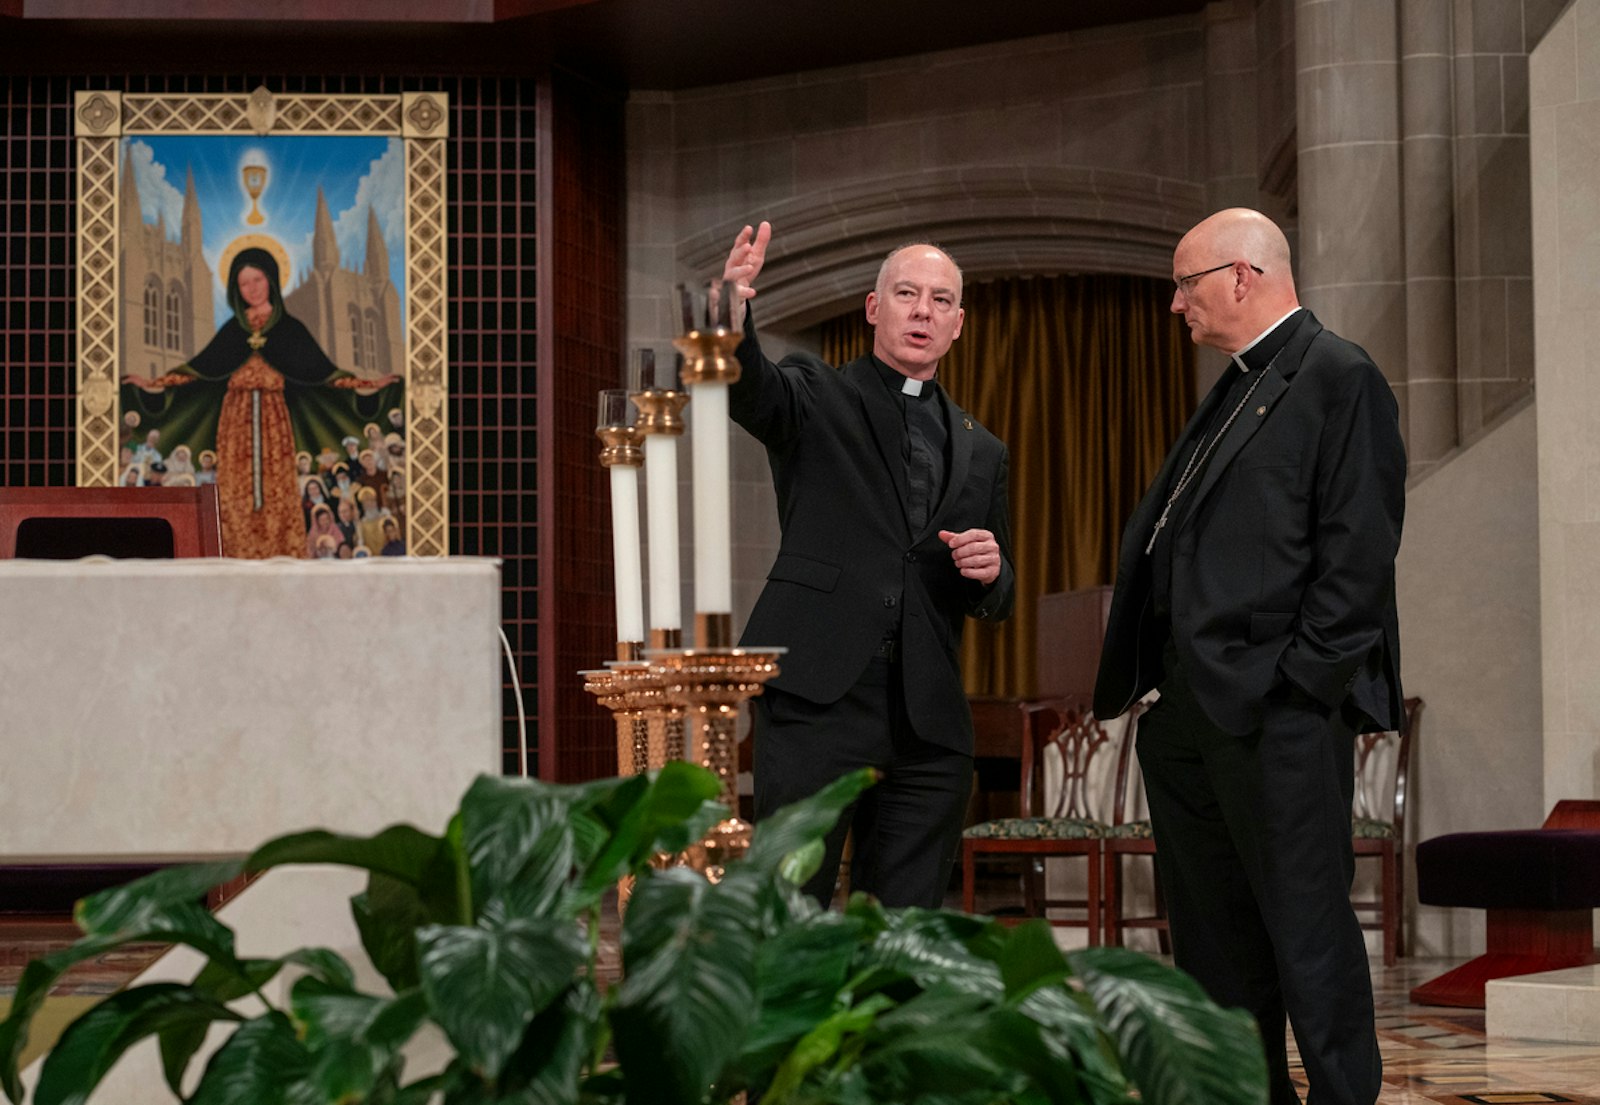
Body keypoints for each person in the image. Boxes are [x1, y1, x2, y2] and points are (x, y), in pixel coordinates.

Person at [1093, 208, 1405, 1105]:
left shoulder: (1340, 376)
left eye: (1185, 284)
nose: (1174, 304)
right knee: (1216, 938)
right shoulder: (1233, 385)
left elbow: (1358, 555)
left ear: (1242, 275)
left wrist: (1299, 690)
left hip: (1277, 712)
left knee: (1306, 932)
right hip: (1191, 712)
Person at [722, 220, 1015, 909]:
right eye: (907, 293)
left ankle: (887, 1022)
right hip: (819, 697)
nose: (923, 310)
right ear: (873, 308)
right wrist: (732, 311)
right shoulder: (815, 393)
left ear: (958, 324)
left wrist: (993, 570)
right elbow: (749, 387)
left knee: (904, 927)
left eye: (941, 300)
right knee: (789, 905)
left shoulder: (985, 449)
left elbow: (996, 596)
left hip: (928, 717)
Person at [120, 247, 401, 559]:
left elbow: (323, 374)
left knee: (277, 490)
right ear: (235, 290)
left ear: (271, 280)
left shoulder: (290, 330)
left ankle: (281, 554)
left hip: (273, 419)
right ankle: (232, 554)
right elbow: (201, 369)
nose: (252, 288)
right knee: (234, 492)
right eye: (244, 283)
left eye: (257, 279)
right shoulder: (233, 331)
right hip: (234, 420)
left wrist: (368, 385)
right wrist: (153, 384)